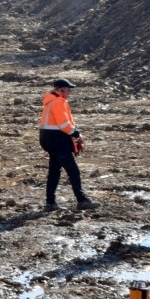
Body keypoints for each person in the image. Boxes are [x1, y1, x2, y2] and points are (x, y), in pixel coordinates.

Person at [39, 79, 100, 211]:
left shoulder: (52, 101)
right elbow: (64, 125)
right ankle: (82, 200)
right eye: (68, 89)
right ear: (60, 90)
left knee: (54, 170)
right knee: (73, 171)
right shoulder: (58, 102)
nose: (70, 91)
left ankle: (50, 203)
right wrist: (77, 134)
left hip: (48, 138)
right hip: (57, 140)